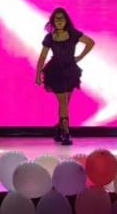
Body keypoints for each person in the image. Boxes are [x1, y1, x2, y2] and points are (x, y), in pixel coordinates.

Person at [35, 7, 95, 145]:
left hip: (70, 71)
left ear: (66, 20)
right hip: (55, 72)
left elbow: (90, 42)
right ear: (53, 21)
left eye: (62, 18)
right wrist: (38, 74)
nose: (59, 21)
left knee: (65, 103)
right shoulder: (50, 37)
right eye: (57, 18)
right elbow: (42, 56)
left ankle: (59, 128)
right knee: (63, 103)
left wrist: (80, 57)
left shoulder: (73, 34)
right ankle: (66, 133)